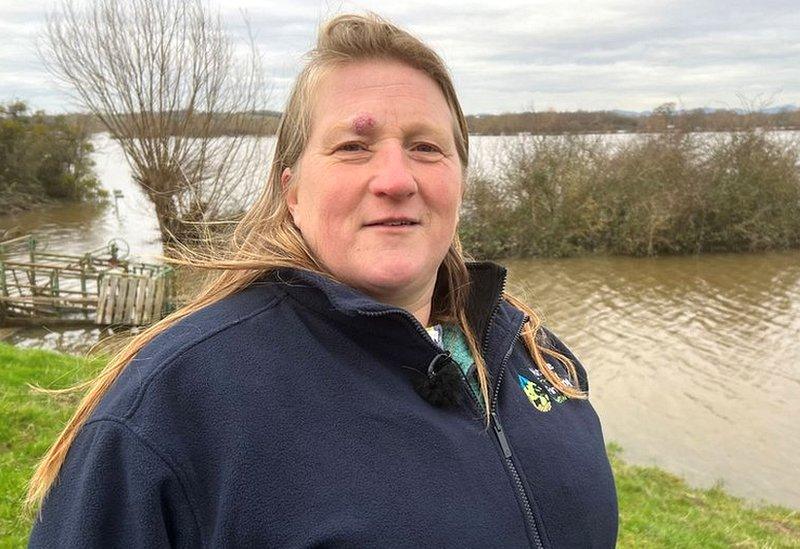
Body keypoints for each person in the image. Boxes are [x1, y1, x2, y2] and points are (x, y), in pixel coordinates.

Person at [27, 13, 618, 548]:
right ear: (291, 191)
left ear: (459, 179)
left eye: (426, 147)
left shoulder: (532, 351)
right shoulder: (172, 406)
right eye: (354, 146)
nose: (395, 178)